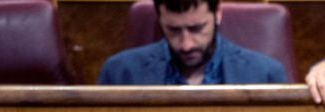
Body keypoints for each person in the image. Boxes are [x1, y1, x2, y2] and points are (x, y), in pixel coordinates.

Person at [98, 0, 287, 85]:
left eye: (197, 29)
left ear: (218, 14)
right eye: (173, 30)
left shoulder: (266, 75)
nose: (186, 45)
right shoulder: (119, 74)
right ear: (159, 19)